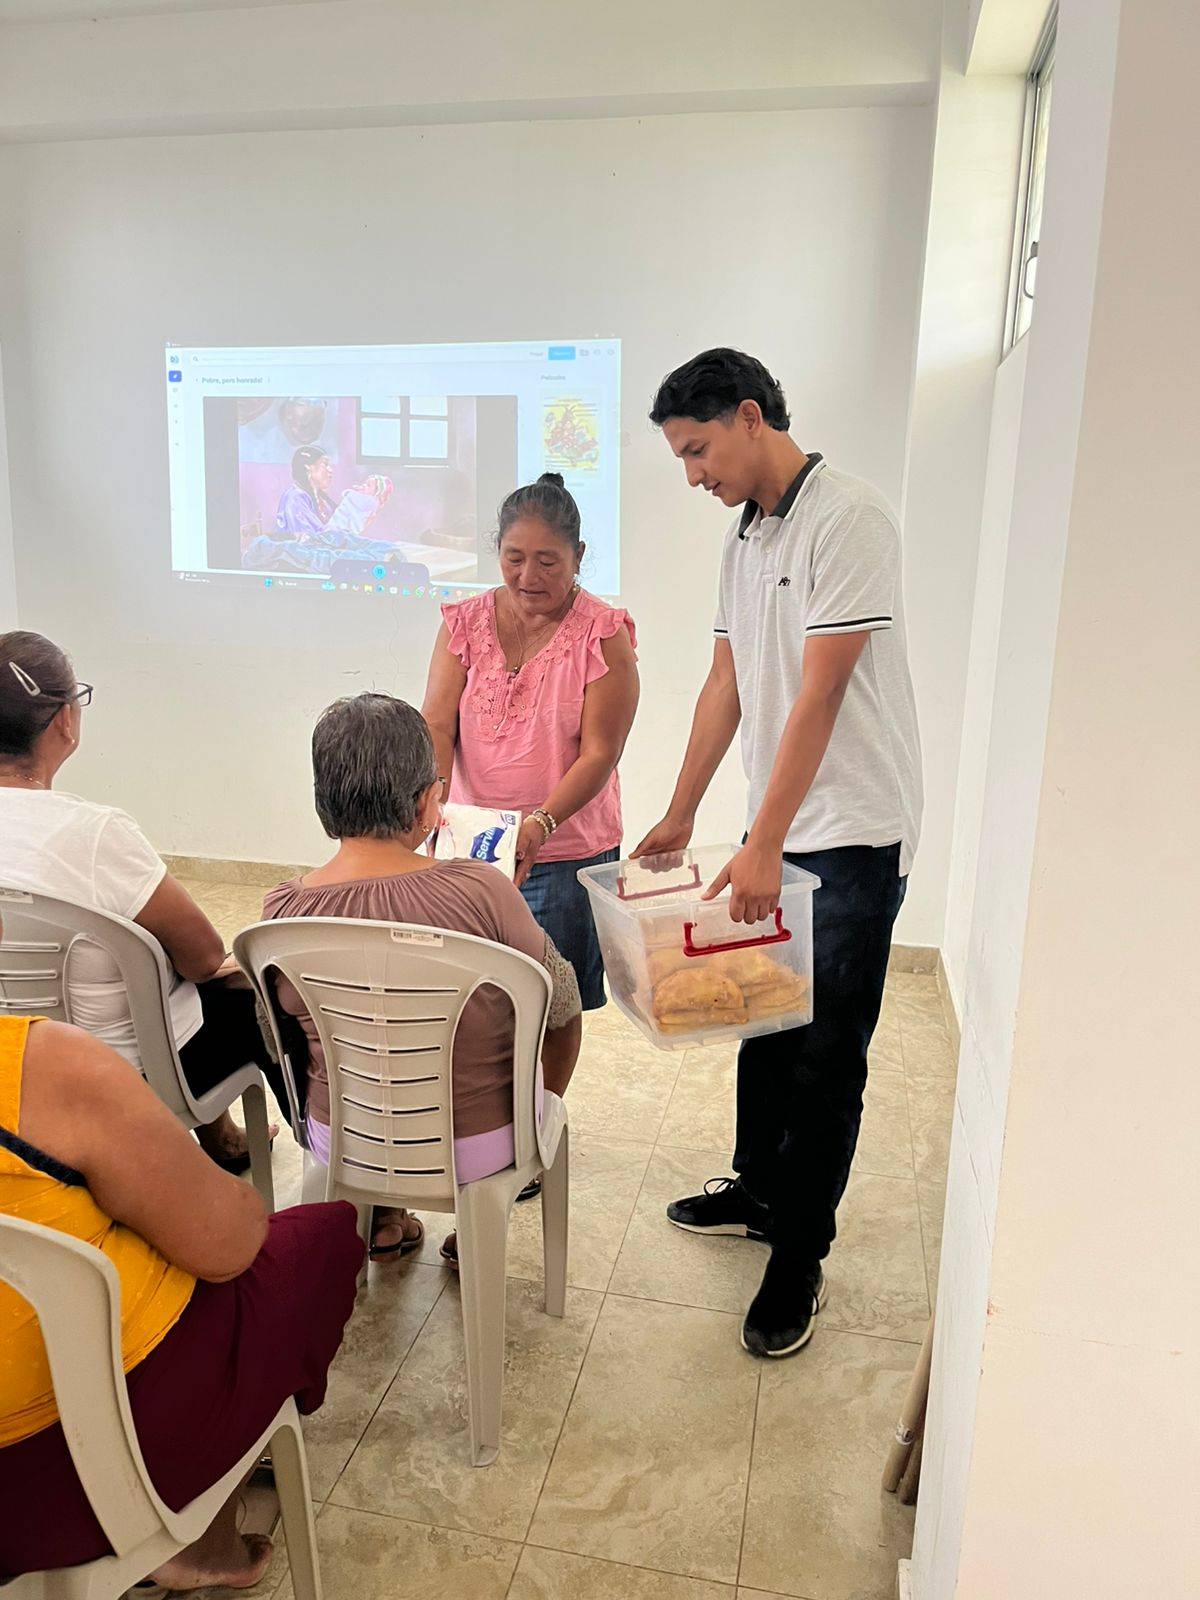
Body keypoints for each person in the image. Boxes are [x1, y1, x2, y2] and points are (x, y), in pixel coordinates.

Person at [637, 349, 922, 1359]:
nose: (692, 474)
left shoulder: (850, 518)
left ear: (751, 417)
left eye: (698, 450)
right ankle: (759, 1191)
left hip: (852, 832)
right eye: (681, 456)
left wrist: (765, 840)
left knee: (826, 1054)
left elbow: (819, 693)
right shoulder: (745, 535)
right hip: (784, 822)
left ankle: (799, 1256)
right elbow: (727, 683)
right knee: (763, 1021)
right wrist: (681, 812)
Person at [0, 1002, 363, 1582]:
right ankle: (203, 1545)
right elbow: (228, 1246)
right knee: (325, 1237)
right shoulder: (40, 1067)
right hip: (81, 1479)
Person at [262, 693, 582, 1265]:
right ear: (426, 804)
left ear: (322, 803)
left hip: (344, 1141)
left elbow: (277, 1041)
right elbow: (562, 1007)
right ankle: (478, 1222)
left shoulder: (282, 914)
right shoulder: (484, 890)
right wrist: (543, 1106)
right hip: (480, 1148)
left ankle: (379, 1217)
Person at [0, 631, 282, 1170]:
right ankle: (338, 1172)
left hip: (8, 1070)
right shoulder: (96, 835)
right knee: (243, 993)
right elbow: (203, 956)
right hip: (123, 1080)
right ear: (65, 721)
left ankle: (222, 1139)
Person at [421, 472, 639, 1012]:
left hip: (565, 855)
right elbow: (437, 724)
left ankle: (546, 1082)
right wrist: (434, 805)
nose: (528, 576)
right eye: (514, 558)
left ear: (578, 555)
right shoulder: (465, 623)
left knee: (555, 1008)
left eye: (547, 562)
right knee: (476, 1002)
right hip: (473, 847)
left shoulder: (602, 634)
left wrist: (541, 823)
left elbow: (601, 752)